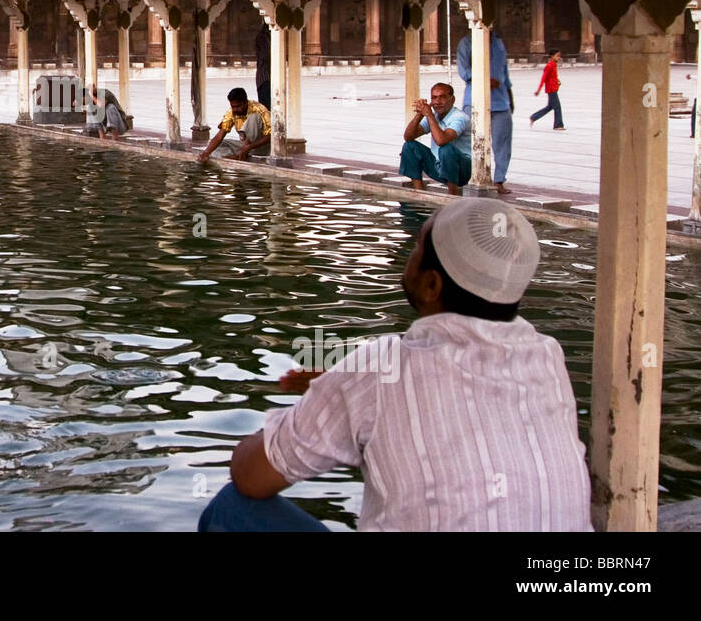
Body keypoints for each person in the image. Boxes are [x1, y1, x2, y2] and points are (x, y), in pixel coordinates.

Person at [199, 198, 592, 531]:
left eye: (417, 247)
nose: (409, 254)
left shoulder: (378, 369)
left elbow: (250, 475)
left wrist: (334, 394)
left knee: (230, 509)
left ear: (432, 285)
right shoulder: (547, 356)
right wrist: (342, 387)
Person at [456, 32, 514, 194]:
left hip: (501, 102)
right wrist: (484, 80)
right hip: (474, 100)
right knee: (469, 142)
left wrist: (510, 98)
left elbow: (505, 72)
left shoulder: (498, 42)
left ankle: (499, 180)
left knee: (503, 144)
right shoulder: (467, 43)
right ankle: (466, 176)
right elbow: (464, 71)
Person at [399, 82, 471, 195]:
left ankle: (452, 195)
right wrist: (419, 114)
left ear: (452, 100)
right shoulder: (434, 116)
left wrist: (429, 115)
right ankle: (419, 193)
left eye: (443, 97)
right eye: (434, 98)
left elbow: (441, 140)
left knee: (445, 148)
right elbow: (408, 136)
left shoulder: (459, 117)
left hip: (462, 172)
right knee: (409, 146)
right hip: (440, 167)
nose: (437, 102)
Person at [198, 87, 271, 163]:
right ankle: (238, 155)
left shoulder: (259, 109)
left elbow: (270, 136)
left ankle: (238, 155)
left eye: (238, 106)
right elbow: (219, 136)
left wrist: (249, 147)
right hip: (244, 146)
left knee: (253, 117)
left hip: (260, 147)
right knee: (215, 144)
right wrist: (206, 153)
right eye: (233, 106)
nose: (235, 109)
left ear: (245, 102)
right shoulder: (231, 112)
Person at [530, 48, 565, 130]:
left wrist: (557, 81)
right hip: (551, 90)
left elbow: (553, 77)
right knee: (557, 108)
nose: (558, 58)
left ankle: (533, 117)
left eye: (559, 56)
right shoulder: (549, 66)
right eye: (557, 56)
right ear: (552, 56)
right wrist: (538, 90)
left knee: (550, 107)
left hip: (554, 88)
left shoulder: (553, 65)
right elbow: (544, 78)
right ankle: (558, 125)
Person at [254, 23, 272, 108]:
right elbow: (266, 55)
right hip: (265, 78)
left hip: (268, 78)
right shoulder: (263, 37)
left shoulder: (268, 36)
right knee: (266, 109)